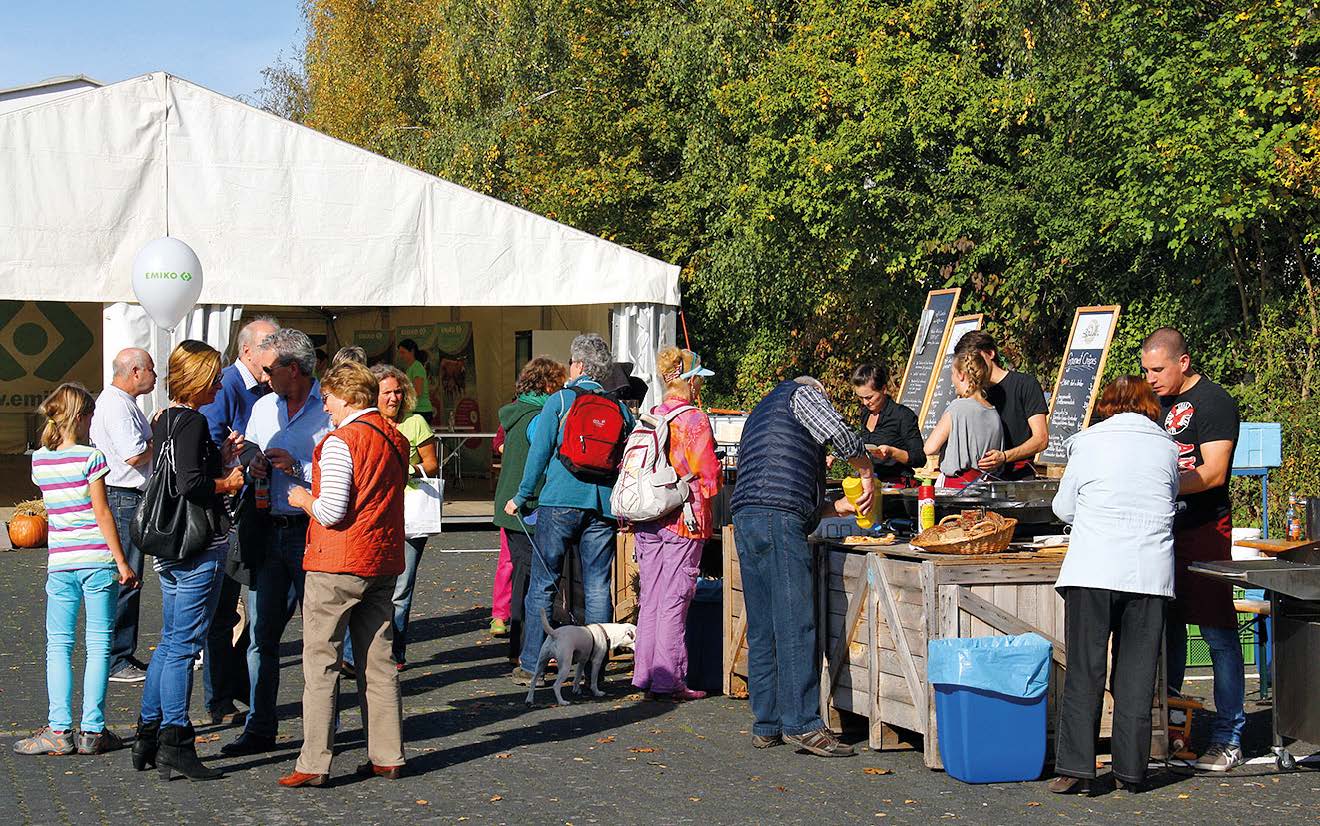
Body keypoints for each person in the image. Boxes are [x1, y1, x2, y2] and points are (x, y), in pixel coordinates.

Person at [279, 362, 410, 787]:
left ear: (349, 398)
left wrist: (302, 498)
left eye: (330, 399)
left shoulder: (342, 440)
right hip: (382, 559)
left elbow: (333, 510)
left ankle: (314, 761)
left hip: (338, 562)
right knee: (379, 660)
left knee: (321, 664)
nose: (326, 406)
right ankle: (388, 753)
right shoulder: (395, 438)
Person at [730, 375, 874, 757]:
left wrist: (835, 507)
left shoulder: (759, 413)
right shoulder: (804, 394)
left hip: (747, 516)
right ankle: (803, 725)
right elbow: (841, 436)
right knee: (796, 621)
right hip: (776, 518)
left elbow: (784, 492)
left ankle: (768, 722)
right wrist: (865, 471)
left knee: (763, 625)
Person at [1047, 377, 1178, 795]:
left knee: (1085, 670)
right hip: (1150, 571)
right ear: (1151, 406)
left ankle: (1077, 770)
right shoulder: (1168, 446)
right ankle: (1131, 771)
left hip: (1094, 567)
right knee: (1136, 676)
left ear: (1106, 405)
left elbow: (1063, 506)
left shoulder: (1087, 442)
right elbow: (1171, 499)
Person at [135, 341, 245, 781]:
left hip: (169, 545)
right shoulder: (194, 421)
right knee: (185, 644)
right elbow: (191, 484)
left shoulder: (165, 419)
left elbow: (181, 470)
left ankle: (148, 730)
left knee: (170, 639)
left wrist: (219, 458)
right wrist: (229, 479)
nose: (220, 383)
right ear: (198, 379)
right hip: (197, 545)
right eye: (214, 376)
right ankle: (175, 738)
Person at [223, 328, 332, 757]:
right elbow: (249, 448)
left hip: (311, 533)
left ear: (292, 369)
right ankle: (259, 726)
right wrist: (251, 461)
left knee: (320, 638)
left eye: (270, 370)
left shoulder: (330, 408)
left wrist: (301, 466)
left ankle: (322, 730)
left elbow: (342, 472)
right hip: (268, 530)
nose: (264, 378)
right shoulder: (265, 406)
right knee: (261, 637)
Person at [15, 384, 140, 757]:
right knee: (99, 645)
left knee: (59, 646)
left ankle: (57, 729)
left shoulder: (40, 460)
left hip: (62, 562)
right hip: (97, 561)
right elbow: (102, 513)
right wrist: (122, 561)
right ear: (84, 417)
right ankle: (92, 729)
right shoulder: (92, 457)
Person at [1142, 327, 1245, 772]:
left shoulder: (1214, 401)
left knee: (1218, 634)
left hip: (1205, 527)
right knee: (1167, 628)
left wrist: (1152, 486)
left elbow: (1215, 472)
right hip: (1162, 529)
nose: (1151, 378)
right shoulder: (1151, 404)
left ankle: (1230, 735)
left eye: (1159, 370)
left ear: (1183, 362)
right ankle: (1174, 728)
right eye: (1145, 370)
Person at [504, 334, 633, 685]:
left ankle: (532, 664)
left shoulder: (560, 401)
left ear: (576, 365)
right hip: (601, 506)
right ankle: (594, 670)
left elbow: (539, 453)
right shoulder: (619, 408)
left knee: (544, 583)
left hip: (559, 501)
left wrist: (523, 495)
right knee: (597, 587)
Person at [198, 315, 278, 724]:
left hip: (260, 507)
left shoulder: (272, 387)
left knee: (267, 607)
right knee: (224, 610)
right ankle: (219, 698)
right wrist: (246, 459)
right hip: (230, 511)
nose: (277, 350)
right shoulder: (228, 385)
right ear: (247, 350)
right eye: (270, 343)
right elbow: (211, 441)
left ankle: (238, 684)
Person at [631, 348, 721, 702]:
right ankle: (669, 679)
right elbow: (708, 472)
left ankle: (645, 674)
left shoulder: (652, 415)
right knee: (675, 598)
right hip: (684, 518)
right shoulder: (694, 419)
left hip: (649, 515)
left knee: (651, 596)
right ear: (691, 380)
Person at [492, 357, 568, 657]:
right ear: (548, 385)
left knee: (522, 576)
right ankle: (525, 649)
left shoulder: (515, 413)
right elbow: (545, 459)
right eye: (558, 386)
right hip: (529, 507)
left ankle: (520, 647)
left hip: (509, 506)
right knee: (532, 580)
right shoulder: (538, 417)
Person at [90, 348, 156, 684]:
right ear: (135, 372)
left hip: (125, 495)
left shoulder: (119, 402)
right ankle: (116, 658)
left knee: (128, 576)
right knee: (126, 577)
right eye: (151, 370)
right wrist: (158, 441)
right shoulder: (116, 405)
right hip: (123, 496)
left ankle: (119, 654)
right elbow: (133, 456)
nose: (155, 377)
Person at [371, 363, 439, 668]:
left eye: (399, 392)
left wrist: (405, 470)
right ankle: (362, 651)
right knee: (369, 587)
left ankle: (395, 652)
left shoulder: (415, 423)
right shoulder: (367, 423)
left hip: (410, 515)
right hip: (374, 515)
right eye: (388, 392)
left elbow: (432, 464)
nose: (394, 398)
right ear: (373, 394)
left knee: (401, 589)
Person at [953, 331, 1048, 479]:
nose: (970, 364)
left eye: (975, 358)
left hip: (1018, 479)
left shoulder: (1025, 384)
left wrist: (1004, 456)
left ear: (990, 354)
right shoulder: (972, 395)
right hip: (978, 481)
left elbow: (1041, 439)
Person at [922, 350, 1003, 488]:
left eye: (952, 374)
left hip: (956, 487)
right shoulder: (993, 413)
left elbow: (930, 448)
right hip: (986, 487)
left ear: (961, 375)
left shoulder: (957, 407)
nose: (952, 379)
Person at [850, 362, 926, 486]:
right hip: (870, 481)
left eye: (869, 397)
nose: (865, 403)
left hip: (897, 484)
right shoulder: (865, 413)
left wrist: (892, 452)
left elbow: (919, 458)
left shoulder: (903, 415)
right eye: (861, 398)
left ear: (884, 389)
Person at [396, 338, 434, 425]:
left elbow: (418, 391)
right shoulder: (411, 368)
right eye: (400, 353)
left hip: (421, 411)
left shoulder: (417, 367)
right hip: (415, 410)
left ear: (412, 351)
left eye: (403, 352)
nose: (401, 356)